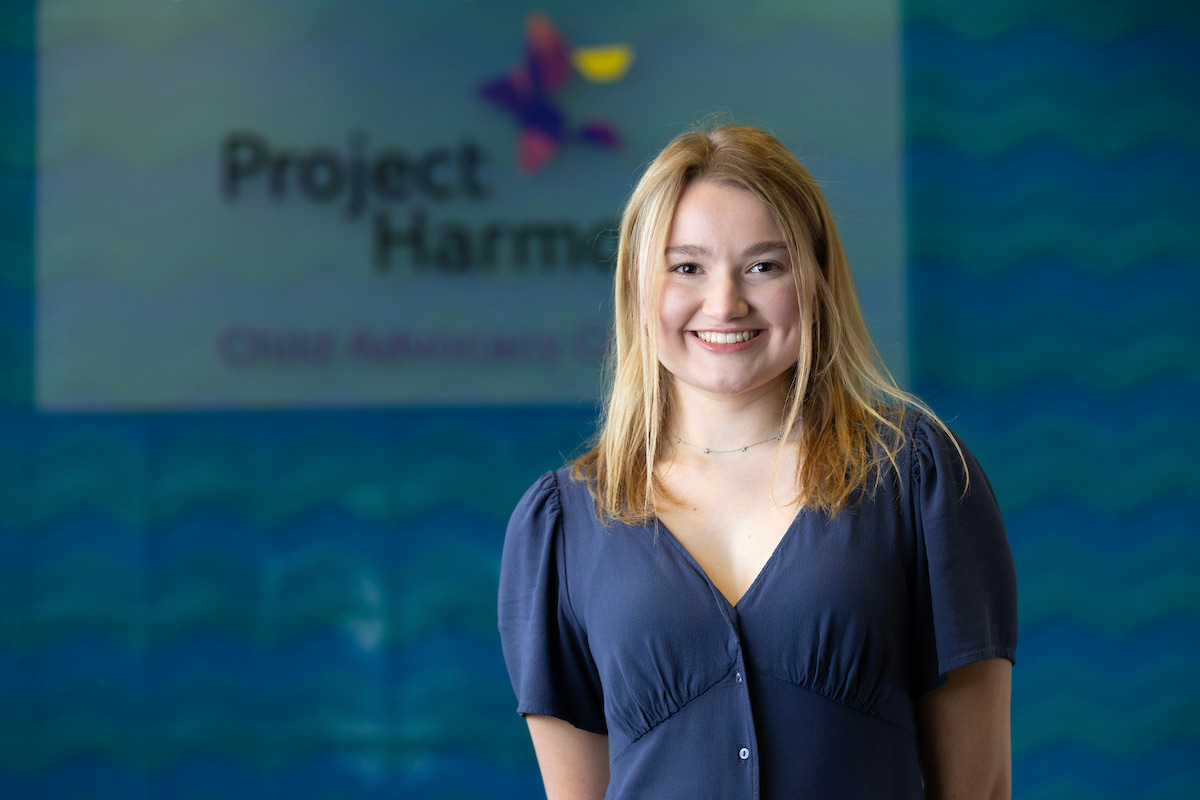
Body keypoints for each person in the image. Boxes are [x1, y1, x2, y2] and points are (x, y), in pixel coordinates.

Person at [497, 125, 1017, 799]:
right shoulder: (561, 526)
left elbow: (981, 787)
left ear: (817, 278)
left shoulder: (917, 480)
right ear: (635, 285)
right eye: (686, 267)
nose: (724, 304)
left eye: (764, 265)